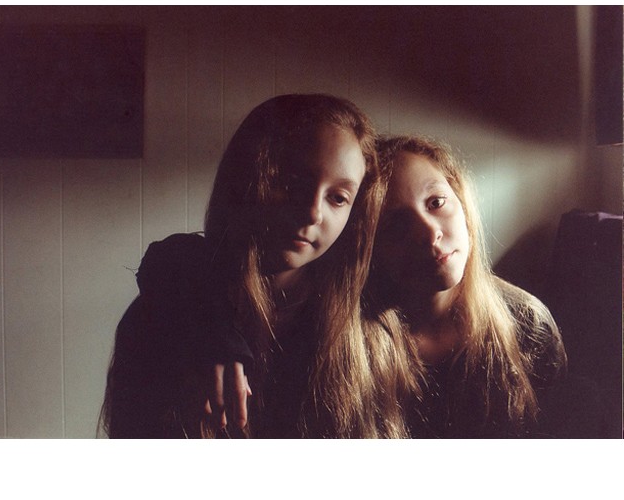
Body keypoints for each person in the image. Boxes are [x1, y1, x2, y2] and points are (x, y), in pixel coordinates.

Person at [100, 93, 390, 438]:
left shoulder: (367, 329)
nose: (313, 212)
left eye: (338, 197)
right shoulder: (169, 310)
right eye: (293, 183)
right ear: (247, 177)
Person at [366, 134, 568, 438]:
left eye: (436, 203)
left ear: (460, 199)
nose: (430, 232)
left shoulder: (528, 323)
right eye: (395, 223)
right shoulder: (352, 342)